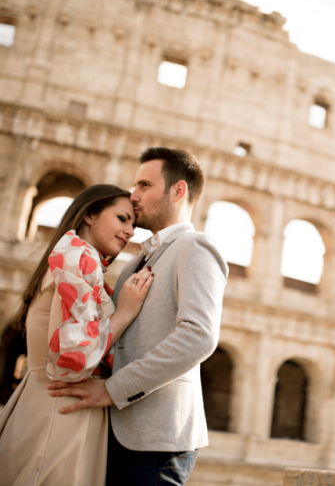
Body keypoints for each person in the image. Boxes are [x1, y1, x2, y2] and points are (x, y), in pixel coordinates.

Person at [48, 147, 229, 485]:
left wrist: (113, 390)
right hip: (117, 428)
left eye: (145, 185)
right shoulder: (134, 261)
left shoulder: (196, 247)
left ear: (178, 191)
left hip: (157, 436)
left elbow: (199, 336)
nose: (134, 196)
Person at [0, 184, 154, 486]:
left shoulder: (73, 257)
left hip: (50, 409)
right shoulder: (79, 257)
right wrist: (125, 313)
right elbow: (75, 355)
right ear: (89, 215)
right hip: (60, 415)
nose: (130, 231)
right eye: (122, 218)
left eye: (133, 224)